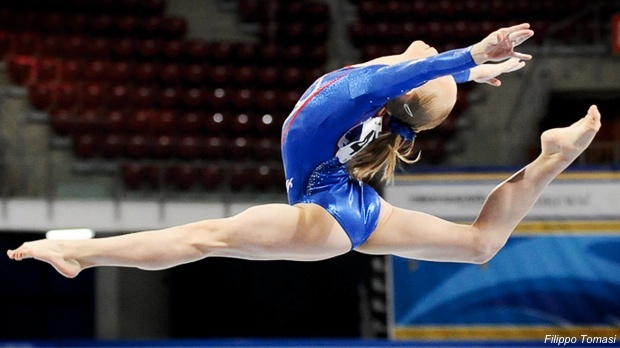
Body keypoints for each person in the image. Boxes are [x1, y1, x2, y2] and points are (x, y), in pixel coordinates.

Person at [7, 23, 602, 279]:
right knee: (481, 245)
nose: (427, 49)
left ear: (406, 83)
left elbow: (408, 81)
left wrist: (472, 58)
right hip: (352, 205)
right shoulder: (377, 101)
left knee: (202, 240)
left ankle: (79, 254)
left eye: (431, 66)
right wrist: (464, 73)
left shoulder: (360, 93)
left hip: (324, 214)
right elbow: (413, 90)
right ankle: (552, 158)